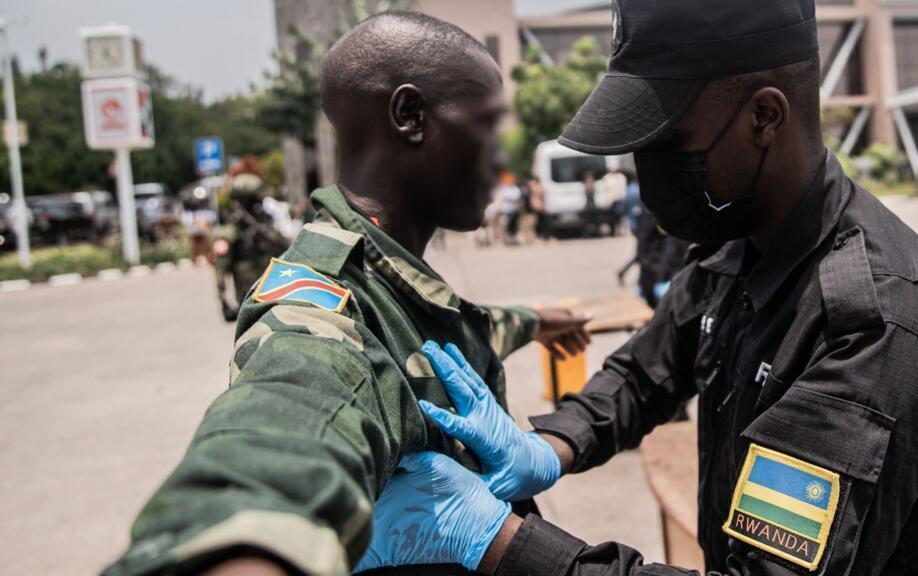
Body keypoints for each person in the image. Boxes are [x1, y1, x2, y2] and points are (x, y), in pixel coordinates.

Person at [363, 1, 918, 575]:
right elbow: (647, 371)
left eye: (666, 142)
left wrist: (499, 542)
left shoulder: (879, 327)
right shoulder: (739, 247)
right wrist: (549, 445)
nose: (647, 169)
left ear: (765, 118)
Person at [102, 12, 591, 576]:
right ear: (410, 116)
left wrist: (537, 318)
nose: (500, 157)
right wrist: (244, 547)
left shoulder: (392, 273)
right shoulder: (319, 303)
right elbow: (295, 410)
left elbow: (442, 333)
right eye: (486, 124)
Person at [211, 174, 290, 322]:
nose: (258, 206)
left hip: (275, 297)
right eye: (254, 202)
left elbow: (288, 250)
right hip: (248, 302)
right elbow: (220, 268)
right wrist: (223, 300)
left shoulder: (266, 227)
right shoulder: (231, 232)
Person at [601, 167, 628, 236]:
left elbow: (623, 189)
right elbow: (605, 189)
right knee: (612, 217)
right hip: (611, 200)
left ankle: (620, 230)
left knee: (620, 215)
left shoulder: (621, 177)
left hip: (620, 199)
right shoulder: (607, 177)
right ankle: (613, 231)